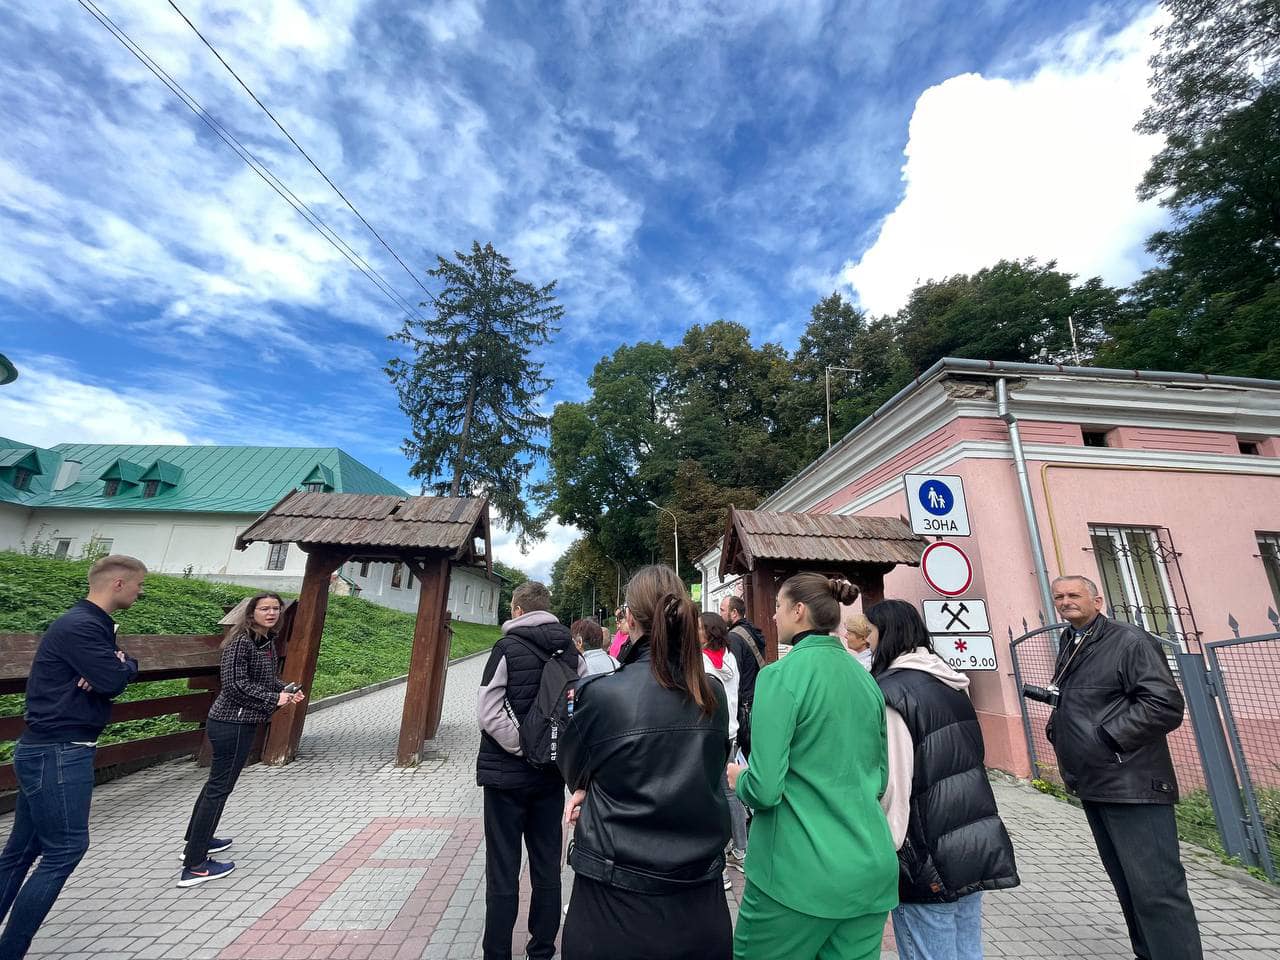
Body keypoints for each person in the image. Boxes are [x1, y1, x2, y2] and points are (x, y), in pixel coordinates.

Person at [558, 565, 732, 960]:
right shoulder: (712, 694)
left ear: (630, 620)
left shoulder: (602, 694)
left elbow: (573, 768)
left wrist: (590, 789)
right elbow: (711, 767)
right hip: (701, 904)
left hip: (614, 903)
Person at [727, 574, 897, 960]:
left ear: (799, 611)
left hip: (796, 872)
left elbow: (766, 788)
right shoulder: (866, 679)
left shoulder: (779, 677)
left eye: (778, 607)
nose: (774, 616)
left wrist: (740, 779)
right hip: (869, 867)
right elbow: (879, 778)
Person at [1044, 575, 1201, 960]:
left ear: (1098, 600)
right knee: (1129, 885)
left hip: (1133, 782)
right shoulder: (1072, 640)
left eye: (1074, 595)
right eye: (1059, 596)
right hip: (1095, 781)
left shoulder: (1129, 640)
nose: (1065, 601)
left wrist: (1106, 738)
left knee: (1157, 889)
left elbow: (1164, 704)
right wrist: (1058, 728)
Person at [0, 555, 143, 959]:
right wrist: (115, 668)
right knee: (65, 849)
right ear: (118, 583)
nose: (141, 592)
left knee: (22, 851)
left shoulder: (92, 624)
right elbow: (112, 679)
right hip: (59, 750)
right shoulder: (81, 626)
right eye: (139, 585)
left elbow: (122, 667)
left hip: (48, 749)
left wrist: (120, 664)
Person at [867, 599, 1019, 960]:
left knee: (929, 948)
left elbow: (896, 779)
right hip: (971, 834)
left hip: (925, 846)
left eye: (870, 632)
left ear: (887, 634)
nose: (867, 641)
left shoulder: (892, 694)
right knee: (967, 947)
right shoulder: (950, 681)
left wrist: (889, 845)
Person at [476, 581, 585, 960]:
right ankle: (541, 950)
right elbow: (582, 706)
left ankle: (497, 952)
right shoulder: (571, 651)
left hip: (505, 778)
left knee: (502, 870)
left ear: (518, 610)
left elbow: (488, 711)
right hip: (550, 778)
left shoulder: (506, 648)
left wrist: (523, 746)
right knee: (547, 868)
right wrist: (551, 749)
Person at [179, 592, 303, 887]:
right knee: (219, 789)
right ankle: (195, 864)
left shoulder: (264, 641)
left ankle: (197, 840)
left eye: (275, 609)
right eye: (264, 609)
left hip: (242, 721)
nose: (271, 613)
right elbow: (235, 685)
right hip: (230, 722)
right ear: (251, 613)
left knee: (216, 785)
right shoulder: (240, 642)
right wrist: (274, 698)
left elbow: (265, 679)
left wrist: (285, 689)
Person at [699, 613, 747, 885]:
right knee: (731, 793)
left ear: (708, 632)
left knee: (711, 794)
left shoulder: (702, 661)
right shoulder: (729, 657)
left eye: (698, 628)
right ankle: (740, 850)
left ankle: (718, 863)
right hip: (731, 731)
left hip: (711, 733)